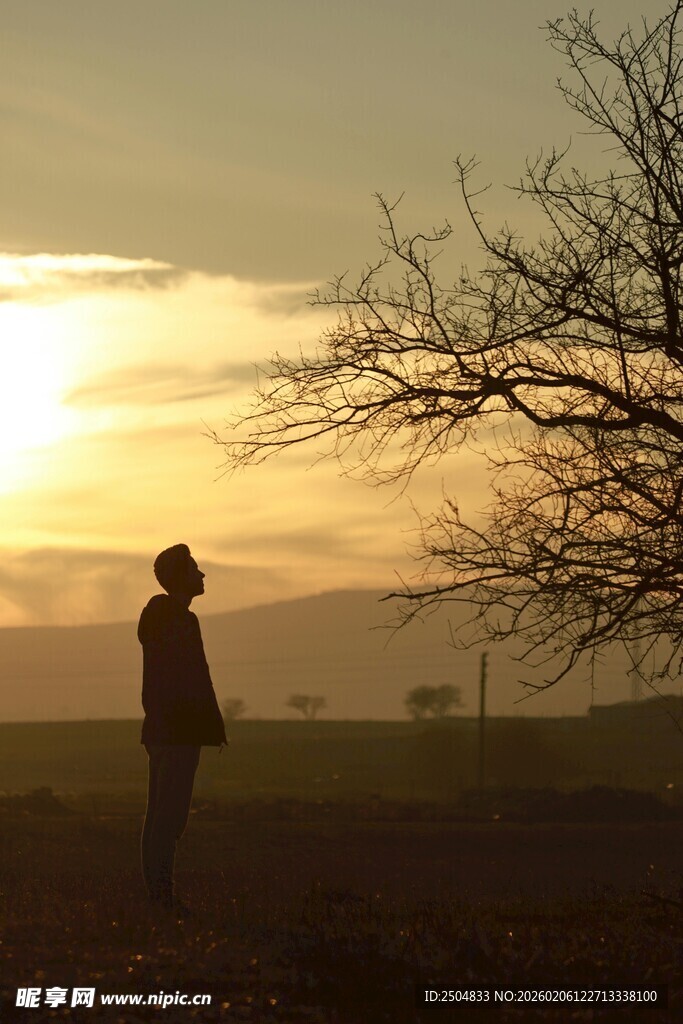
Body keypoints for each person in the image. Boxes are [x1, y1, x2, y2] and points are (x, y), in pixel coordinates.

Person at [138, 544, 227, 914]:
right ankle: (161, 897)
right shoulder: (176, 620)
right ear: (181, 577)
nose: (203, 575)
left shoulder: (169, 618)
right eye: (195, 569)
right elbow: (189, 681)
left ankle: (158, 894)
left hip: (166, 731)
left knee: (160, 814)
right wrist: (203, 726)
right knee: (169, 817)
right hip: (177, 732)